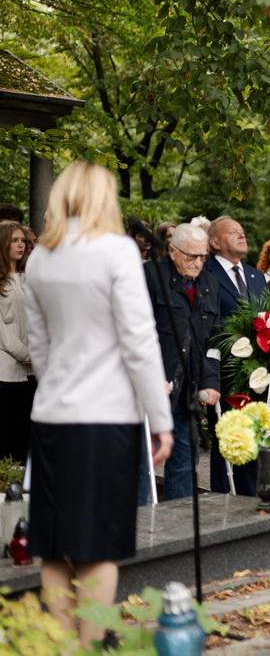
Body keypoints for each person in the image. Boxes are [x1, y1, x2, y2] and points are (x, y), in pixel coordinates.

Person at [23, 162, 173, 647]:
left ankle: (63, 648)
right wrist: (161, 419)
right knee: (99, 545)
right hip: (105, 417)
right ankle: (90, 647)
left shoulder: (40, 258)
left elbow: (39, 346)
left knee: (54, 546)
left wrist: (60, 384)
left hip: (52, 415)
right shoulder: (117, 251)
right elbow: (138, 340)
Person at [143, 223, 221, 501]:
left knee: (185, 458)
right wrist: (151, 376)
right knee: (143, 458)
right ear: (172, 250)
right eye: (191, 255)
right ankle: (136, 521)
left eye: (203, 256)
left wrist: (210, 380)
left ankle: (181, 521)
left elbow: (214, 339)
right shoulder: (150, 276)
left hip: (190, 385)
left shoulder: (210, 284)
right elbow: (138, 333)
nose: (198, 262)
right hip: (155, 383)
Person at [203, 215, 268, 495]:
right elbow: (206, 326)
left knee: (253, 441)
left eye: (242, 231)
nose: (241, 235)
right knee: (228, 442)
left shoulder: (255, 275)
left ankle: (250, 501)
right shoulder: (205, 273)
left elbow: (269, 318)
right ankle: (223, 503)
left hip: (259, 374)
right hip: (226, 373)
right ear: (215, 243)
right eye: (233, 232)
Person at [0, 221, 33, 463]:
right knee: (6, 433)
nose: (21, 245)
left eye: (23, 240)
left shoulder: (27, 278)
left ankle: (21, 481)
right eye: (14, 240)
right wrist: (24, 352)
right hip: (6, 370)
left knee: (24, 434)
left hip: (31, 369)